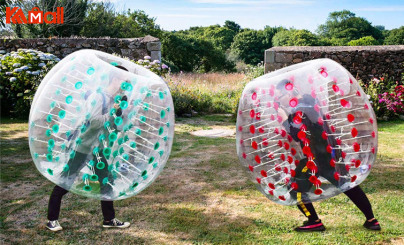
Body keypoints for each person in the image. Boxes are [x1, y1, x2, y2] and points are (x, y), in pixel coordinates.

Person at [275, 79, 381, 232]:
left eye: (280, 97)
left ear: (289, 91)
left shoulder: (298, 110)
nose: (280, 101)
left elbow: (300, 135)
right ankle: (372, 220)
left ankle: (314, 221)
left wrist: (285, 120)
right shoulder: (311, 102)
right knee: (347, 185)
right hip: (330, 152)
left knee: (295, 187)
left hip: (315, 158)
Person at [46, 65, 131, 231]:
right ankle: (52, 220)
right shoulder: (98, 97)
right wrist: (112, 113)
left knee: (107, 181)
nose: (125, 85)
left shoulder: (114, 100)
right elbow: (94, 122)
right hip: (83, 147)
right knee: (65, 182)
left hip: (97, 149)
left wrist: (119, 115)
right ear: (115, 79)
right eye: (123, 80)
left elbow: (112, 127)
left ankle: (109, 219)